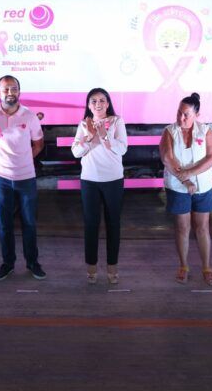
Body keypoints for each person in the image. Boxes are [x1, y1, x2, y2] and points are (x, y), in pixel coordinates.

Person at [0, 75, 46, 281]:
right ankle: (7, 263)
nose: (11, 93)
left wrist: (24, 159)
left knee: (29, 223)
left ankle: (32, 262)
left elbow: (39, 144)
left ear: (19, 91)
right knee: (4, 224)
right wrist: (2, 161)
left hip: (26, 178)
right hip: (0, 178)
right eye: (6, 89)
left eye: (14, 89)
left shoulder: (29, 117)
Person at [159, 93, 212, 286]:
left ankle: (207, 267)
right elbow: (168, 158)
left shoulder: (205, 130)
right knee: (182, 227)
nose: (181, 118)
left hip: (203, 186)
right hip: (178, 186)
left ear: (197, 114)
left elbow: (211, 158)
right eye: (179, 113)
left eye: (186, 114)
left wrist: (190, 173)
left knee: (202, 227)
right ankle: (183, 266)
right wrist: (185, 181)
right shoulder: (169, 131)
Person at [71, 88, 128, 285]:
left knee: (113, 225)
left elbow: (122, 148)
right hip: (90, 180)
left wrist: (104, 135)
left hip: (113, 180)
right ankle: (91, 269)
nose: (98, 104)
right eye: (93, 101)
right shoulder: (83, 124)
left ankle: (112, 268)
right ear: (88, 105)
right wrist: (88, 137)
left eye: (102, 100)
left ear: (108, 103)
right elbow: (76, 152)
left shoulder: (117, 122)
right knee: (91, 225)